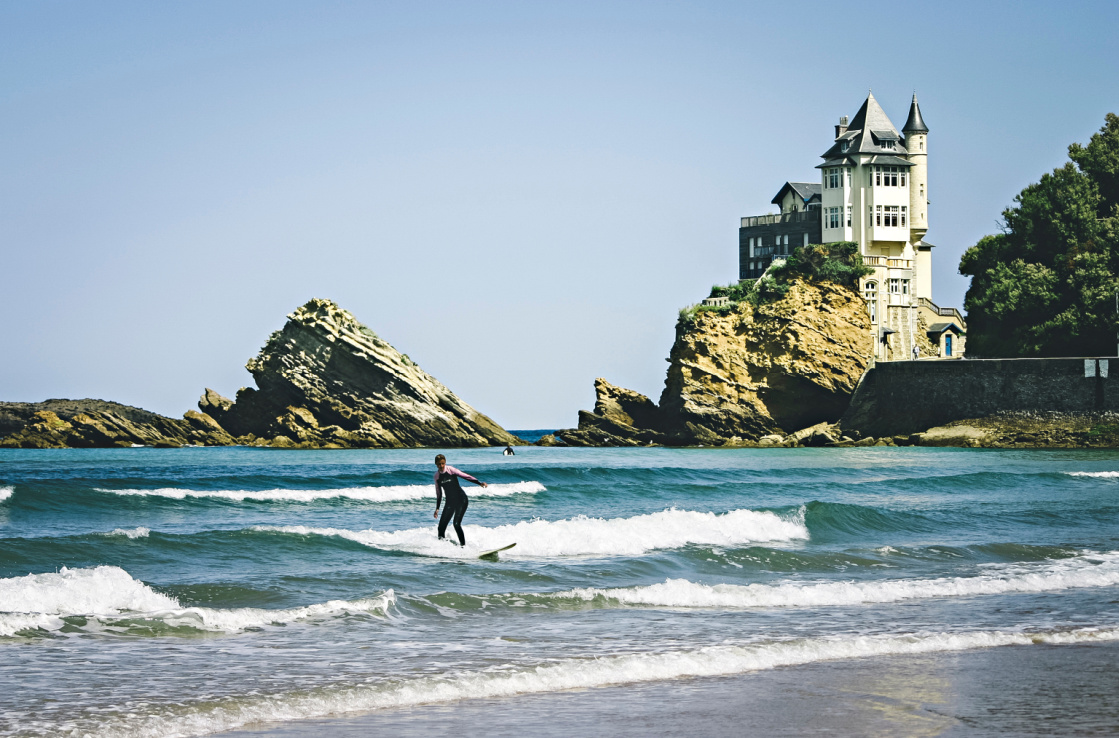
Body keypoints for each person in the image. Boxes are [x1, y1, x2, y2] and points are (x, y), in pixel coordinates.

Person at [433, 454, 487, 546]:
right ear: (436, 464)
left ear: (445, 462)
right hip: (450, 502)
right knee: (441, 528)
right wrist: (437, 508)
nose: (441, 466)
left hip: (461, 500)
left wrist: (479, 483)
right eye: (439, 464)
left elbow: (465, 476)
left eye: (442, 463)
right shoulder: (437, 477)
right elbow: (439, 493)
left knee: (456, 524)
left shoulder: (451, 470)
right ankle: (442, 548)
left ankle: (463, 547)